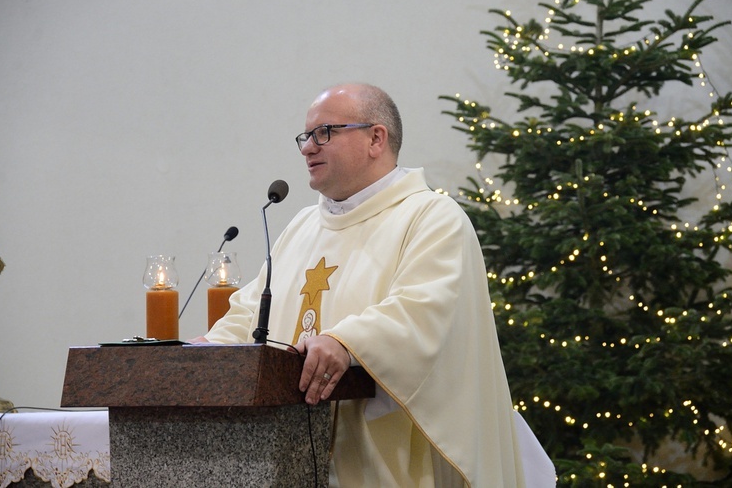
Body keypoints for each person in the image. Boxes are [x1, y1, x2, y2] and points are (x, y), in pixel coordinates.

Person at [191, 83, 554, 486]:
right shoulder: (301, 226)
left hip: (386, 462)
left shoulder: (431, 217)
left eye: (324, 132)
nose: (308, 147)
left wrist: (345, 342)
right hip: (283, 456)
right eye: (305, 136)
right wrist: (204, 351)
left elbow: (422, 311)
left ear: (376, 138)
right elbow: (253, 310)